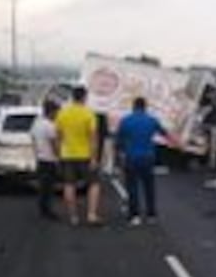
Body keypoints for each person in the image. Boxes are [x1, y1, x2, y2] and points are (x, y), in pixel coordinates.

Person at [115, 96, 173, 226]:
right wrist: (177, 142)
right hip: (148, 158)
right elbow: (164, 133)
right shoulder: (152, 120)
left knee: (132, 187)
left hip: (131, 158)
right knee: (149, 187)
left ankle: (134, 216)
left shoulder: (125, 121)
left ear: (133, 107)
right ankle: (151, 215)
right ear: (145, 107)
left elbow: (118, 142)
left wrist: (119, 156)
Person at [56, 85, 103, 226]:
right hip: (85, 155)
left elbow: (59, 136)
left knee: (69, 185)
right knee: (94, 184)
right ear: (84, 97)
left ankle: (73, 216)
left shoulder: (62, 113)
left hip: (67, 154)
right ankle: (91, 214)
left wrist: (59, 154)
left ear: (72, 97)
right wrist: (94, 158)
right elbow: (93, 138)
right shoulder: (89, 114)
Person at [29, 98, 60, 220]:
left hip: (40, 158)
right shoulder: (50, 126)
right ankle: (48, 211)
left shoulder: (37, 123)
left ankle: (43, 209)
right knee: (49, 187)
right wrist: (59, 156)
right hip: (50, 159)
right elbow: (54, 144)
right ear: (52, 112)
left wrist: (37, 151)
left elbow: (32, 138)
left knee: (43, 186)